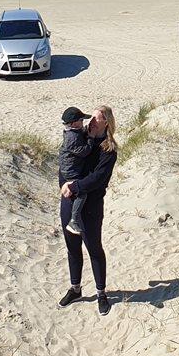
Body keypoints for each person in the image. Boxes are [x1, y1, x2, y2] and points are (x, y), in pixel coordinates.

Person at [58, 105, 119, 316]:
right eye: (90, 117)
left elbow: (98, 178)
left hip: (91, 206)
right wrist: (63, 184)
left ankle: (101, 294)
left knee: (94, 249)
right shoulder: (79, 137)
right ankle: (75, 289)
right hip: (69, 201)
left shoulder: (109, 150)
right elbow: (64, 161)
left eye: (96, 118)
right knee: (72, 247)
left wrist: (74, 186)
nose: (91, 121)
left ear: (106, 123)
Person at [58, 107, 96, 237]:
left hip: (71, 167)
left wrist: (86, 130)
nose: (83, 122)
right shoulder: (72, 138)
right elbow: (85, 151)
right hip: (70, 170)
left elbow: (81, 133)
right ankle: (73, 220)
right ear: (74, 123)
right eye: (81, 120)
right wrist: (91, 138)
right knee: (81, 193)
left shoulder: (73, 131)